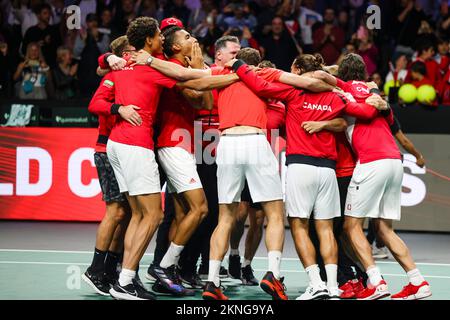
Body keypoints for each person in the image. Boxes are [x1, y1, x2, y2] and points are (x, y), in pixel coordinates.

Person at [89, 17, 239, 300]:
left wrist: (108, 58)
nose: (162, 36)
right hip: (146, 143)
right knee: (158, 214)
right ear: (152, 41)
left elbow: (105, 65)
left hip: (128, 144)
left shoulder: (140, 63)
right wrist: (237, 74)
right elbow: (194, 83)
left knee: (143, 214)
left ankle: (124, 277)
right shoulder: (153, 65)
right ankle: (141, 272)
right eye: (160, 34)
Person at [228, 53, 387, 300]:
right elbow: (358, 115)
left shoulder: (293, 92)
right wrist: (375, 95)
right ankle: (334, 287)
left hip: (301, 166)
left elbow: (260, 86)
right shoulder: (334, 96)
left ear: (299, 70)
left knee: (300, 226)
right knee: (326, 229)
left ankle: (316, 283)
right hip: (328, 170)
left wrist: (239, 66)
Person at [323, 53, 432, 300]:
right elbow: (395, 130)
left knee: (351, 226)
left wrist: (331, 74)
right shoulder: (377, 97)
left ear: (343, 74)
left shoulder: (344, 89)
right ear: (364, 73)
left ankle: (376, 282)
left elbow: (320, 76)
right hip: (394, 161)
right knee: (383, 229)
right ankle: (418, 282)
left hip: (371, 162)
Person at [149, 26, 213, 297]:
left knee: (181, 211)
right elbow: (197, 97)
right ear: (175, 47)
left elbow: (207, 103)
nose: (194, 39)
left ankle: (168, 270)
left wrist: (199, 68)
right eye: (187, 37)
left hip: (185, 145)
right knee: (200, 209)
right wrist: (200, 68)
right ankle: (163, 266)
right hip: (172, 144)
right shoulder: (172, 68)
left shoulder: (187, 67)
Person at [82, 35, 134, 297]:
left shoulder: (130, 76)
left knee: (126, 213)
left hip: (126, 152)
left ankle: (110, 268)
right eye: (131, 51)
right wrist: (119, 108)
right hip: (107, 151)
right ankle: (94, 269)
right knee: (115, 210)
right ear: (122, 54)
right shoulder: (112, 77)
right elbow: (95, 104)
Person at [21, 3, 61, 68]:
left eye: (49, 13)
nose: (48, 16)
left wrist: (50, 42)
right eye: (45, 13)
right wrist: (35, 45)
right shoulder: (31, 31)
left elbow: (59, 48)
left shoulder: (54, 30)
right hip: (34, 65)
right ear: (38, 15)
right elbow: (24, 49)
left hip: (51, 65)